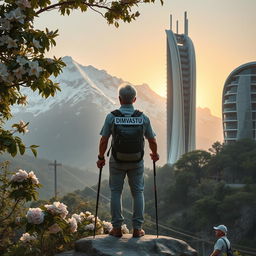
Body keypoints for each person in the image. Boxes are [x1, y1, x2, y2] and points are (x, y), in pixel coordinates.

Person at [96, 84, 159, 238]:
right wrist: (154, 154)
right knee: (138, 192)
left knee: (115, 192)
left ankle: (116, 228)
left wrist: (101, 157)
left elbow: (104, 140)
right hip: (137, 161)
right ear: (134, 99)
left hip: (117, 160)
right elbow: (152, 140)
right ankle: (137, 229)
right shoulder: (142, 117)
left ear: (119, 99)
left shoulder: (112, 116)